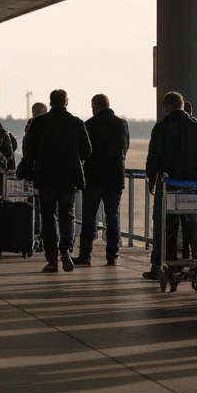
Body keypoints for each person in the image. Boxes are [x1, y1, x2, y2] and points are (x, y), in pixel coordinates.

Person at [143, 91, 197, 281]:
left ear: (167, 107)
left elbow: (153, 159)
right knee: (194, 230)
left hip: (168, 187)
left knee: (165, 229)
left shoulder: (161, 128)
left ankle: (161, 266)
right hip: (193, 188)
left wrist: (152, 181)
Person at [20, 89, 90, 273]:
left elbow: (28, 151)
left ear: (50, 103)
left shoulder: (39, 123)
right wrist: (75, 160)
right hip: (69, 177)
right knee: (68, 214)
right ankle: (66, 251)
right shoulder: (76, 123)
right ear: (66, 101)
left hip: (46, 176)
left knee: (48, 216)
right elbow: (87, 149)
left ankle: (52, 259)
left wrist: (41, 159)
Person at [77, 94, 129, 267]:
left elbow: (83, 151)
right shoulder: (122, 124)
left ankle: (85, 255)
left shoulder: (89, 125)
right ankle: (112, 256)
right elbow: (125, 147)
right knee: (113, 217)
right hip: (115, 177)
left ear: (94, 107)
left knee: (89, 217)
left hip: (94, 177)